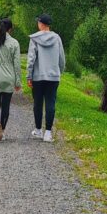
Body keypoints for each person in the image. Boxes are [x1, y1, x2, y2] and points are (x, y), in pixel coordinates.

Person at [26, 13, 66, 143]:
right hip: (53, 77)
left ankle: (38, 130)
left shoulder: (34, 39)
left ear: (41, 24)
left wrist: (29, 75)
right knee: (51, 103)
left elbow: (31, 59)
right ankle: (48, 133)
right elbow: (62, 58)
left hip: (38, 77)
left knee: (38, 103)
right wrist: (59, 71)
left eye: (38, 22)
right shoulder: (57, 38)